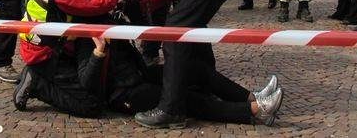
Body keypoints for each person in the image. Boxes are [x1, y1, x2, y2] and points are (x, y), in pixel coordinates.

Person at [106, 0, 240, 129]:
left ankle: (171, 110)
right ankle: (208, 90)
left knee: (174, 35)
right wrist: (138, 7)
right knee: (192, 31)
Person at [12, 0, 126, 115]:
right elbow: (104, 0)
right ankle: (37, 83)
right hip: (48, 55)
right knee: (91, 105)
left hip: (41, 46)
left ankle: (38, 74)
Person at [74, 36, 284, 126]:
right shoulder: (83, 38)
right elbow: (87, 83)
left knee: (195, 69)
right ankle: (257, 111)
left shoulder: (108, 19)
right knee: (184, 98)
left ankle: (250, 96)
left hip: (138, 74)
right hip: (124, 93)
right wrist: (98, 52)